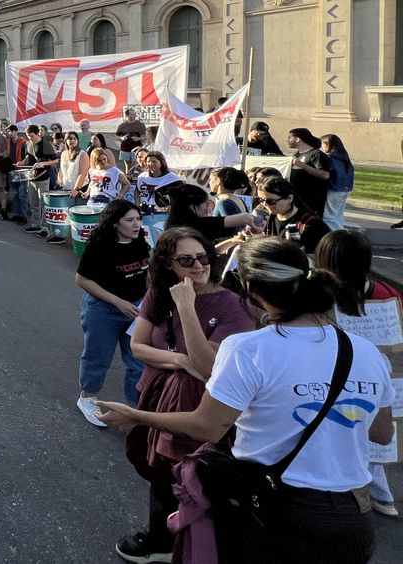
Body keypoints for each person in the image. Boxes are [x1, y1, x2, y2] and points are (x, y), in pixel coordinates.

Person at [99, 237, 394, 564]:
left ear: (250, 287)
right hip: (352, 517)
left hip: (274, 510)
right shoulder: (366, 351)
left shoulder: (248, 349)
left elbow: (206, 426)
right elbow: (381, 432)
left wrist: (137, 416)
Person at [103, 226, 257, 564]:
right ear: (168, 264)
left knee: (195, 480)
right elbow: (138, 347)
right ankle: (161, 539)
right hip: (156, 396)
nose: (198, 266)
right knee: (159, 475)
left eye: (203, 257)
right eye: (186, 260)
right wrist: (180, 360)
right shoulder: (160, 294)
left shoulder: (233, 306)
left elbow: (209, 369)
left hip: (204, 410)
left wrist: (187, 308)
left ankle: (195, 547)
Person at [313, 230, 403, 519]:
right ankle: (380, 494)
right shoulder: (388, 295)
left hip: (329, 383)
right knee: (374, 439)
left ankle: (360, 494)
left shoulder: (317, 296)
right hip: (382, 383)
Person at [74, 200, 149, 427]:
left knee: (138, 362)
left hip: (136, 310)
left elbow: (145, 272)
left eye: (138, 219)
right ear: (115, 223)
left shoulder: (140, 242)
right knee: (98, 357)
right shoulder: (99, 245)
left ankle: (136, 410)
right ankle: (87, 398)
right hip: (103, 310)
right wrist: (117, 302)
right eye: (129, 220)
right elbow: (82, 279)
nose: (136, 224)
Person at [255, 176, 330, 255]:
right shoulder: (273, 216)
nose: (265, 205)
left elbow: (320, 258)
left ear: (290, 198)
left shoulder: (312, 224)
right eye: (261, 200)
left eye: (271, 201)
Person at [164, 182, 254, 247]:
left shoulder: (171, 225)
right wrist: (255, 225)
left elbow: (212, 252)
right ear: (192, 207)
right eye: (206, 204)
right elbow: (245, 217)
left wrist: (231, 241)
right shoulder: (200, 225)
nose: (209, 209)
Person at [286, 127, 331, 218]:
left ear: (297, 139)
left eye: (289, 137)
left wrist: (302, 165)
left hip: (312, 199)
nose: (287, 140)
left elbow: (325, 175)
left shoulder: (316, 154)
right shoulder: (296, 154)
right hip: (297, 198)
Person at [319, 133, 354, 230]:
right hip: (345, 188)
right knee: (338, 214)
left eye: (322, 144)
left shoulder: (329, 157)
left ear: (327, 144)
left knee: (328, 214)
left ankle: (334, 235)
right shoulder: (343, 156)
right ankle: (339, 230)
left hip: (333, 188)